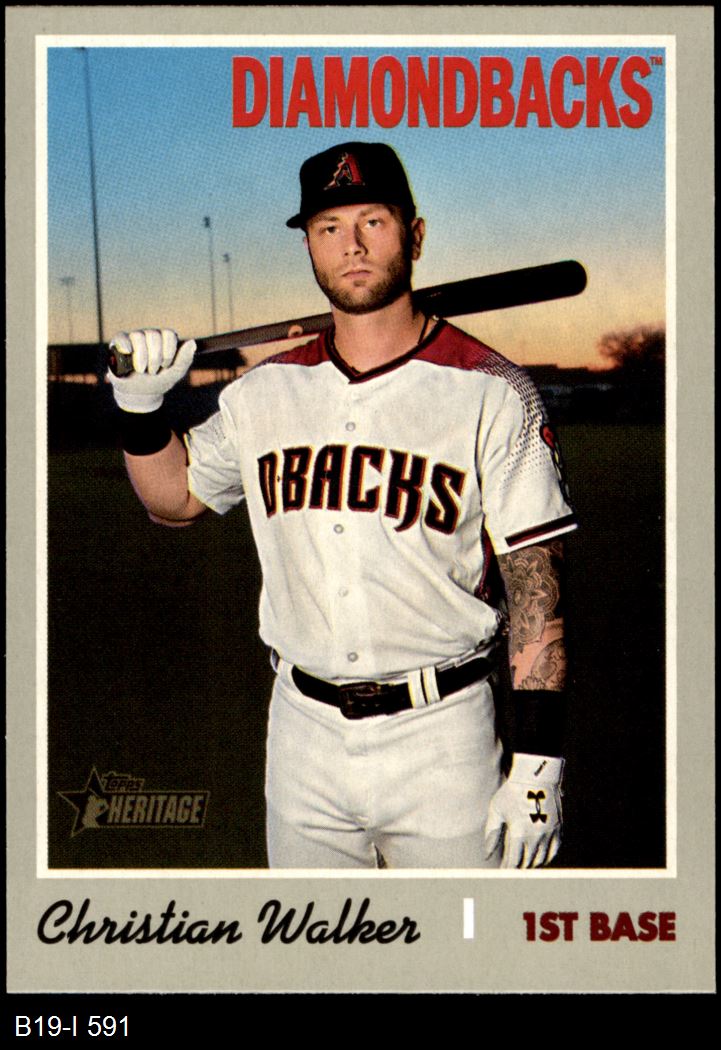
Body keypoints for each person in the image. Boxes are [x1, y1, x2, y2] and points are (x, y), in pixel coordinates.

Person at [109, 141, 577, 870]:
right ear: (308, 245)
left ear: (414, 235)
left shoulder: (492, 389)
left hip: (443, 736)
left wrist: (540, 761)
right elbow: (173, 500)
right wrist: (139, 410)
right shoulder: (263, 392)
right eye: (329, 227)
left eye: (372, 221)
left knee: (465, 940)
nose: (351, 245)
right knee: (311, 940)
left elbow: (535, 585)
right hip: (302, 737)